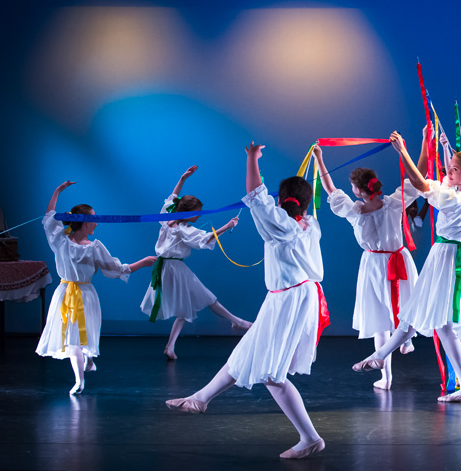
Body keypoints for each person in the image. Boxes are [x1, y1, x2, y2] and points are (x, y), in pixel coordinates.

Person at [166, 142, 326, 460]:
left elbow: (256, 195)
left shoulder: (283, 226)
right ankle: (200, 398)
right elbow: (262, 200)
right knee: (248, 352)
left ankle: (310, 438)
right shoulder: (308, 225)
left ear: (282, 202)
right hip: (289, 297)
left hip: (289, 300)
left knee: (271, 373)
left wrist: (252, 157)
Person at [353, 130, 461, 403]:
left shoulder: (456, 200)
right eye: (449, 168)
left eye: (453, 170)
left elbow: (419, 183)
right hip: (451, 256)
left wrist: (402, 151)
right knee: (417, 311)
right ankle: (380, 355)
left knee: (442, 324)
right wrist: (444, 148)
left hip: (451, 260)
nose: (447, 172)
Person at [313, 145, 418, 390]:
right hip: (398, 259)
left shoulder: (355, 212)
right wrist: (409, 149)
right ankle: (406, 340)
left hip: (375, 265)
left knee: (381, 319)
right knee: (405, 305)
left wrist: (319, 158)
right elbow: (416, 178)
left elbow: (330, 189)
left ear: (359, 191)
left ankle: (387, 377)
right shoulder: (394, 203)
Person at [36, 181, 156, 394]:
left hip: (83, 295)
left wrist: (142, 263)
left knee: (81, 335)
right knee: (73, 339)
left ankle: (89, 360)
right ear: (84, 224)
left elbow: (116, 269)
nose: (97, 223)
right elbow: (49, 217)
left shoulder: (85, 246)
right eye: (93, 219)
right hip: (66, 295)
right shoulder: (63, 241)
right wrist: (57, 191)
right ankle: (79, 380)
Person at [140, 166, 250, 360]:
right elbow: (205, 239)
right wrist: (228, 226)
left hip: (169, 268)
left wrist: (182, 179)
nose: (199, 215)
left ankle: (170, 347)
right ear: (186, 212)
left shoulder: (167, 218)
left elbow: (173, 198)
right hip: (173, 269)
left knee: (190, 306)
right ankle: (236, 321)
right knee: (205, 298)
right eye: (197, 212)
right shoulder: (182, 229)